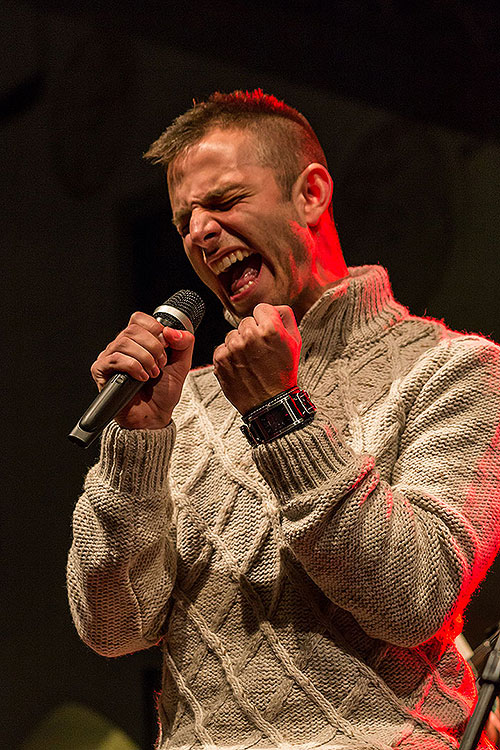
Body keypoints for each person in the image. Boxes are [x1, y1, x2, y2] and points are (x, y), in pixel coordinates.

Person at [67, 90, 500, 750]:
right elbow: (113, 628)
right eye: (185, 219)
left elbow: (412, 598)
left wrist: (280, 417)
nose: (200, 232)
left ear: (311, 195)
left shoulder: (455, 368)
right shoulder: (178, 402)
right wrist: (137, 444)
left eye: (224, 200)